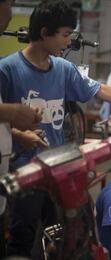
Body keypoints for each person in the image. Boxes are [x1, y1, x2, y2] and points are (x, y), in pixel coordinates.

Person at [0, 0, 111, 257]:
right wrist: (19, 134)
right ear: (45, 33)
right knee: (22, 237)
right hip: (25, 173)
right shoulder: (8, 70)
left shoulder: (64, 69)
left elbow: (99, 88)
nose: (68, 42)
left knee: (64, 236)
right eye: (65, 35)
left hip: (57, 172)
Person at [0, 0, 43, 175]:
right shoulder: (7, 66)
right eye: (8, 5)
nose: (11, 15)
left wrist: (16, 132)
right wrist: (12, 112)